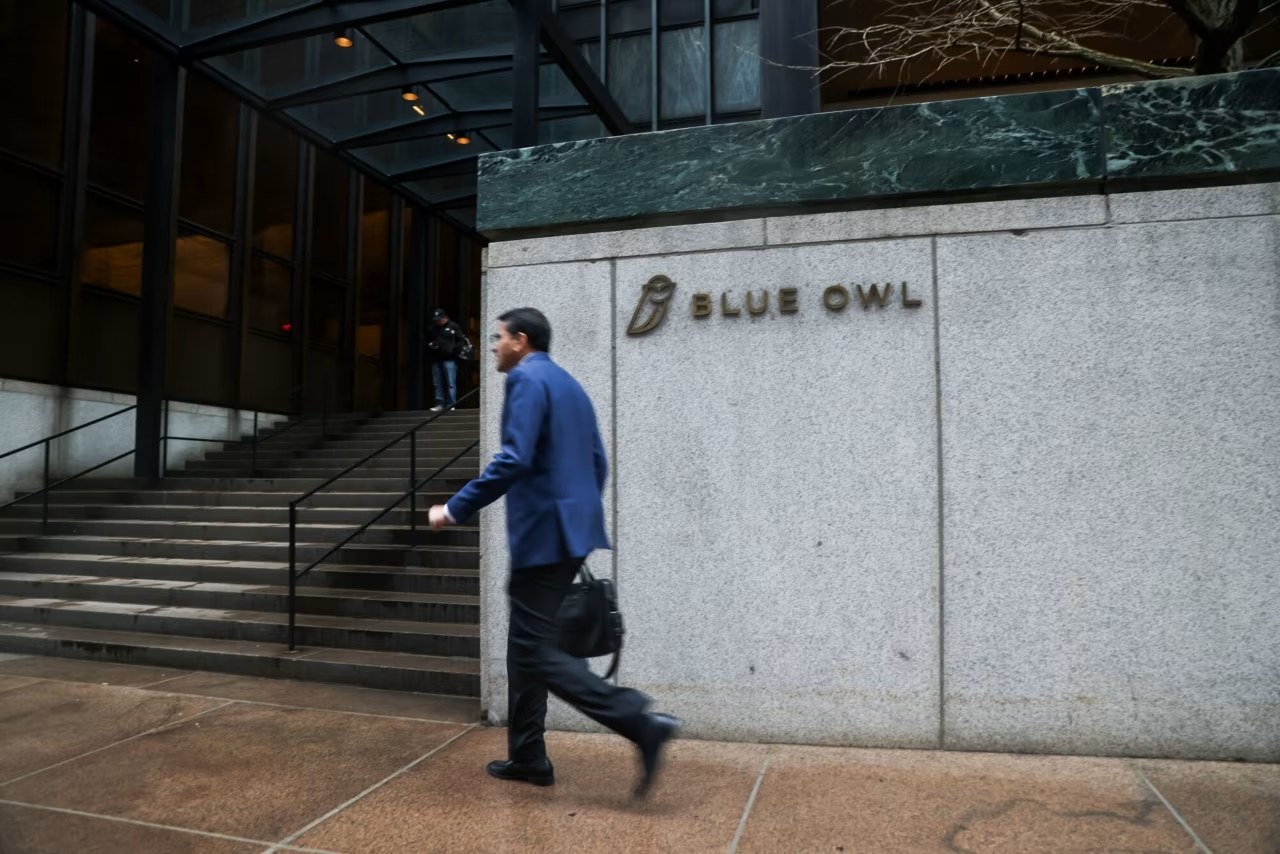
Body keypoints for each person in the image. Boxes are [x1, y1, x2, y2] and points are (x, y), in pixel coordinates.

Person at [428, 307, 679, 797]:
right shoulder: (570, 385)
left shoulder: (526, 379)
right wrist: (576, 512)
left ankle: (640, 721)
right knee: (526, 644)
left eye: (499, 337)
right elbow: (597, 462)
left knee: (531, 650)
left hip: (543, 535)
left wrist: (455, 508)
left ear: (521, 340)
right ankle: (528, 755)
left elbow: (513, 458)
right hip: (570, 531)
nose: (493, 346)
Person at [426, 308, 466, 411]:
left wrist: (454, 351)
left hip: (450, 359)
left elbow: (460, 340)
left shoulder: (453, 326)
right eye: (436, 320)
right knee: (437, 383)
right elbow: (428, 340)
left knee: (450, 383)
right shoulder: (433, 328)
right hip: (436, 358)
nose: (438, 322)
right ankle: (439, 404)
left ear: (445, 317)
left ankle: (451, 404)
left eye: (440, 319)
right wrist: (431, 345)